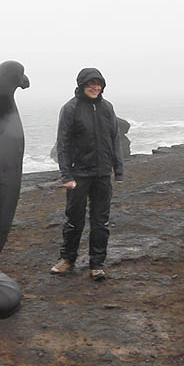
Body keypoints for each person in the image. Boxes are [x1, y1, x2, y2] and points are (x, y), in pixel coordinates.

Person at [49, 68, 124, 281]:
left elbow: (115, 139)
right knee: (74, 220)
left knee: (101, 222)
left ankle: (97, 264)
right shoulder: (70, 108)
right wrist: (66, 176)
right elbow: (62, 144)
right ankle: (67, 259)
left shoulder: (107, 108)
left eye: (98, 83)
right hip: (78, 174)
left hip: (102, 174)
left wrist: (118, 170)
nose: (95, 87)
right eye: (91, 83)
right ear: (82, 84)